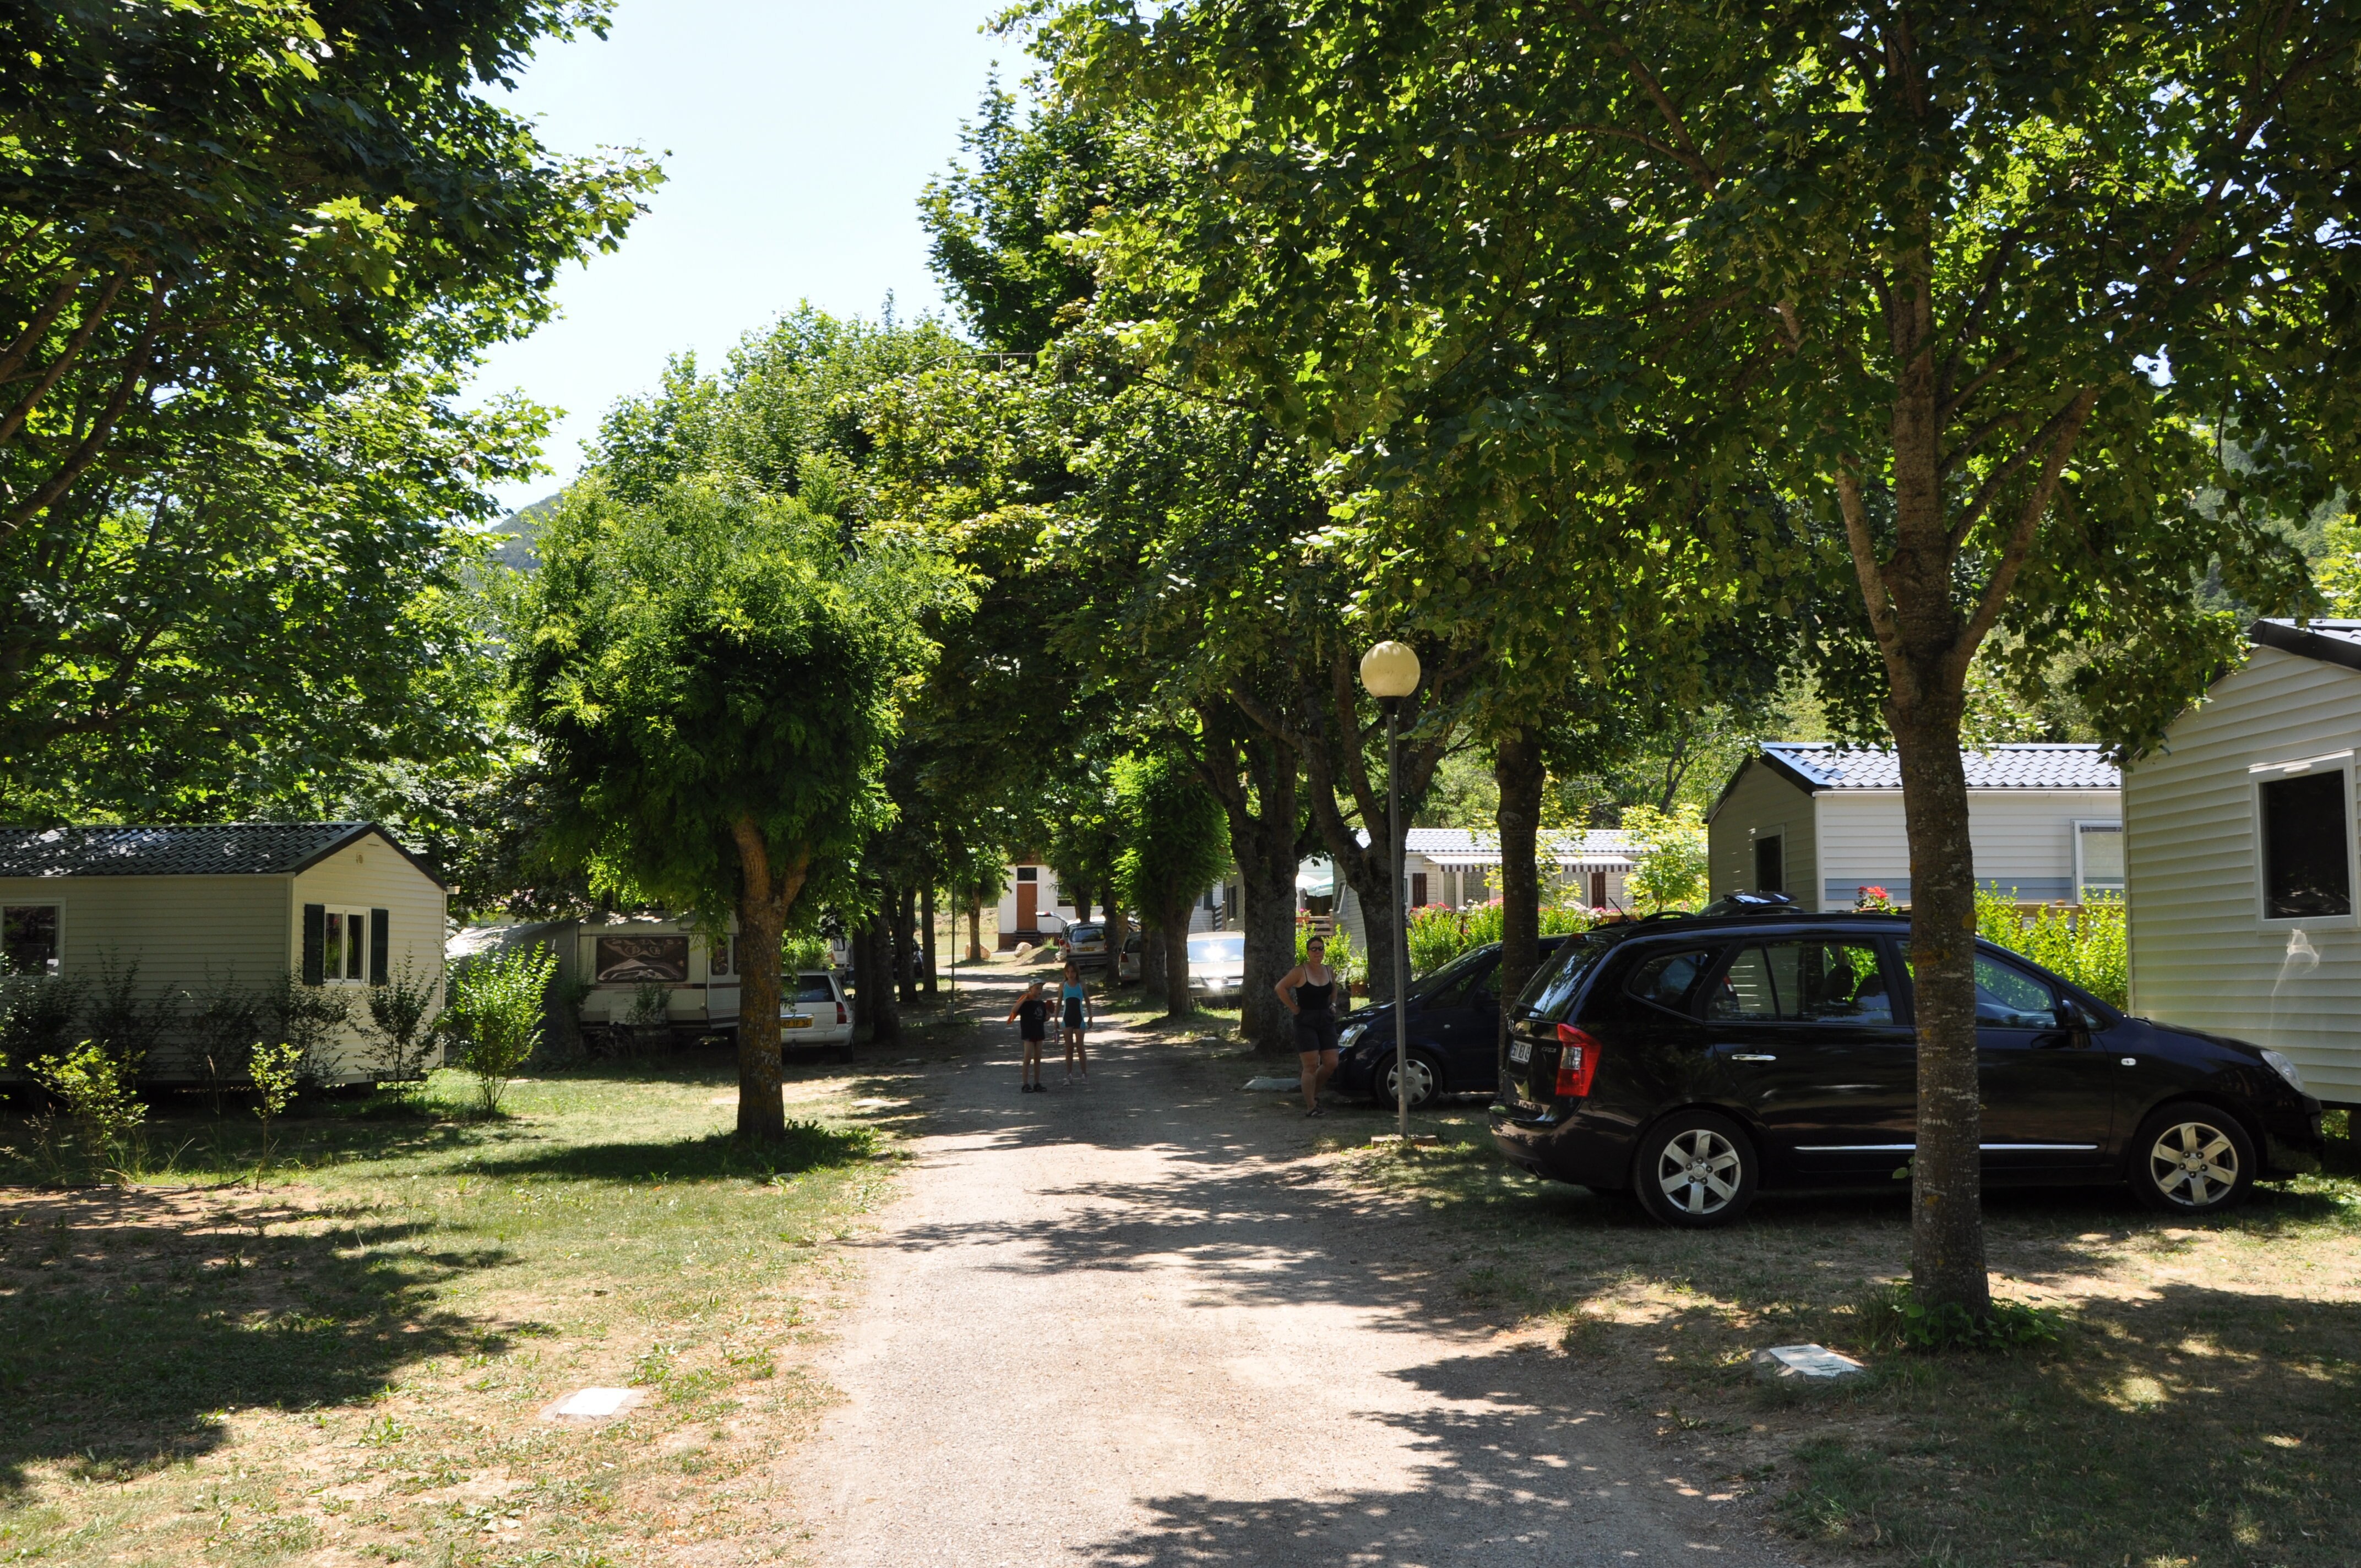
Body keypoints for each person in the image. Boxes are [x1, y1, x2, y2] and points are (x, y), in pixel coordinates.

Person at [1275, 935, 1341, 1117]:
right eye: (1314, 949)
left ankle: (1313, 1095)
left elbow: (1334, 989)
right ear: (1308, 952)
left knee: (1331, 1062)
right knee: (1311, 1065)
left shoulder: (1328, 970)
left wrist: (1333, 1005)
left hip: (1325, 1019)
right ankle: (1311, 1106)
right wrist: (1295, 1009)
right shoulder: (1300, 971)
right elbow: (1280, 988)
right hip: (1306, 1021)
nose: (1318, 952)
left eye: (1321, 948)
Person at [1007, 979, 1051, 1093]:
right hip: (1028, 1033)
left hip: (1039, 1033)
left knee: (1038, 1059)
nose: (1039, 990)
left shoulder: (1042, 1004)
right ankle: (1025, 1084)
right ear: (1030, 989)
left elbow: (1043, 1017)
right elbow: (1014, 1010)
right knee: (1027, 1058)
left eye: (1041, 988)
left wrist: (1047, 1017)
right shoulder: (1025, 1003)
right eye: (1037, 988)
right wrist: (1024, 1000)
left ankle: (1037, 1083)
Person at [1058, 960, 1095, 1082]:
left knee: (1080, 1047)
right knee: (1069, 1048)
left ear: (1077, 972)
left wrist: (1090, 1017)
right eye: (1068, 972)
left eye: (1073, 972)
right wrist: (1055, 1019)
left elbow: (1088, 1001)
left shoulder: (1081, 984)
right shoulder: (1063, 985)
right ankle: (1069, 1075)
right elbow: (1059, 1003)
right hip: (1067, 1019)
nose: (1071, 974)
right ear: (1065, 973)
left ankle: (1084, 1074)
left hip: (1079, 1019)